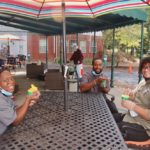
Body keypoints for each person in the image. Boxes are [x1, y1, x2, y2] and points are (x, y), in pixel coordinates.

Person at [0, 69, 40, 135]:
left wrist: (28, 104)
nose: (10, 82)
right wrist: (27, 100)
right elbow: (15, 121)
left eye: (11, 78)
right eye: (5, 80)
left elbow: (14, 111)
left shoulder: (6, 94)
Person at [120, 56, 150, 143]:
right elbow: (136, 98)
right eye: (144, 67)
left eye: (149, 67)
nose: (146, 70)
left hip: (144, 128)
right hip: (130, 117)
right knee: (107, 119)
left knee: (109, 130)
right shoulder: (145, 83)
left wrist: (133, 106)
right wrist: (126, 96)